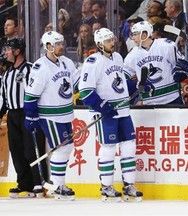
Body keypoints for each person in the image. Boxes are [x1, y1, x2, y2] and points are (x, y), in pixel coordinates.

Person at [78, 27, 149, 201]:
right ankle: (106, 186)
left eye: (112, 39)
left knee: (129, 146)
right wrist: (103, 106)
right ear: (100, 44)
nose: (112, 43)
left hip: (123, 110)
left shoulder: (117, 57)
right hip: (106, 114)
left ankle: (129, 185)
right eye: (109, 40)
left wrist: (137, 87)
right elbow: (85, 91)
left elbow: (120, 82)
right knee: (108, 149)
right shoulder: (92, 62)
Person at [23, 31, 80, 200]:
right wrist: (31, 115)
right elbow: (31, 95)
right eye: (58, 44)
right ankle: (57, 185)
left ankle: (58, 184)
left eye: (62, 43)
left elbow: (78, 83)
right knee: (62, 147)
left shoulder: (67, 62)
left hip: (66, 113)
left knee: (66, 147)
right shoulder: (40, 67)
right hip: (50, 115)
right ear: (48, 46)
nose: (62, 46)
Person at [0, 38, 48, 198]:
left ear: (17, 51)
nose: (6, 52)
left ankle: (38, 182)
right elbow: (4, 97)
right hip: (12, 115)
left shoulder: (31, 69)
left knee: (31, 149)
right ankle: (24, 183)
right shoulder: (7, 73)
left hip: (28, 114)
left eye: (8, 49)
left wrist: (34, 113)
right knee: (16, 150)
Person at [124, 21, 185, 105]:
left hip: (172, 98)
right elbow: (124, 78)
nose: (133, 38)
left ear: (144, 35)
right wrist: (138, 87)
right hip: (149, 102)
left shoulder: (166, 46)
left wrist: (180, 73)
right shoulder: (132, 55)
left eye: (135, 34)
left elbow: (182, 66)